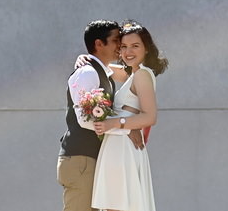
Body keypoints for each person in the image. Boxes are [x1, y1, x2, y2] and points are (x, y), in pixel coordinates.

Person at [91, 21, 169, 211]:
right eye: (123, 47)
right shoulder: (133, 74)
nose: (128, 52)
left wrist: (114, 123)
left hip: (123, 146)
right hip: (119, 144)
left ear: (147, 49)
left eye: (135, 46)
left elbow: (150, 117)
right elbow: (103, 67)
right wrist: (85, 59)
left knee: (118, 206)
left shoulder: (142, 74)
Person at [58, 20, 121, 211]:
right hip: (81, 160)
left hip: (88, 159)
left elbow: (136, 71)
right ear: (99, 44)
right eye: (116, 40)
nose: (120, 46)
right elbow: (85, 119)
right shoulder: (87, 72)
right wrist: (123, 126)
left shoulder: (102, 72)